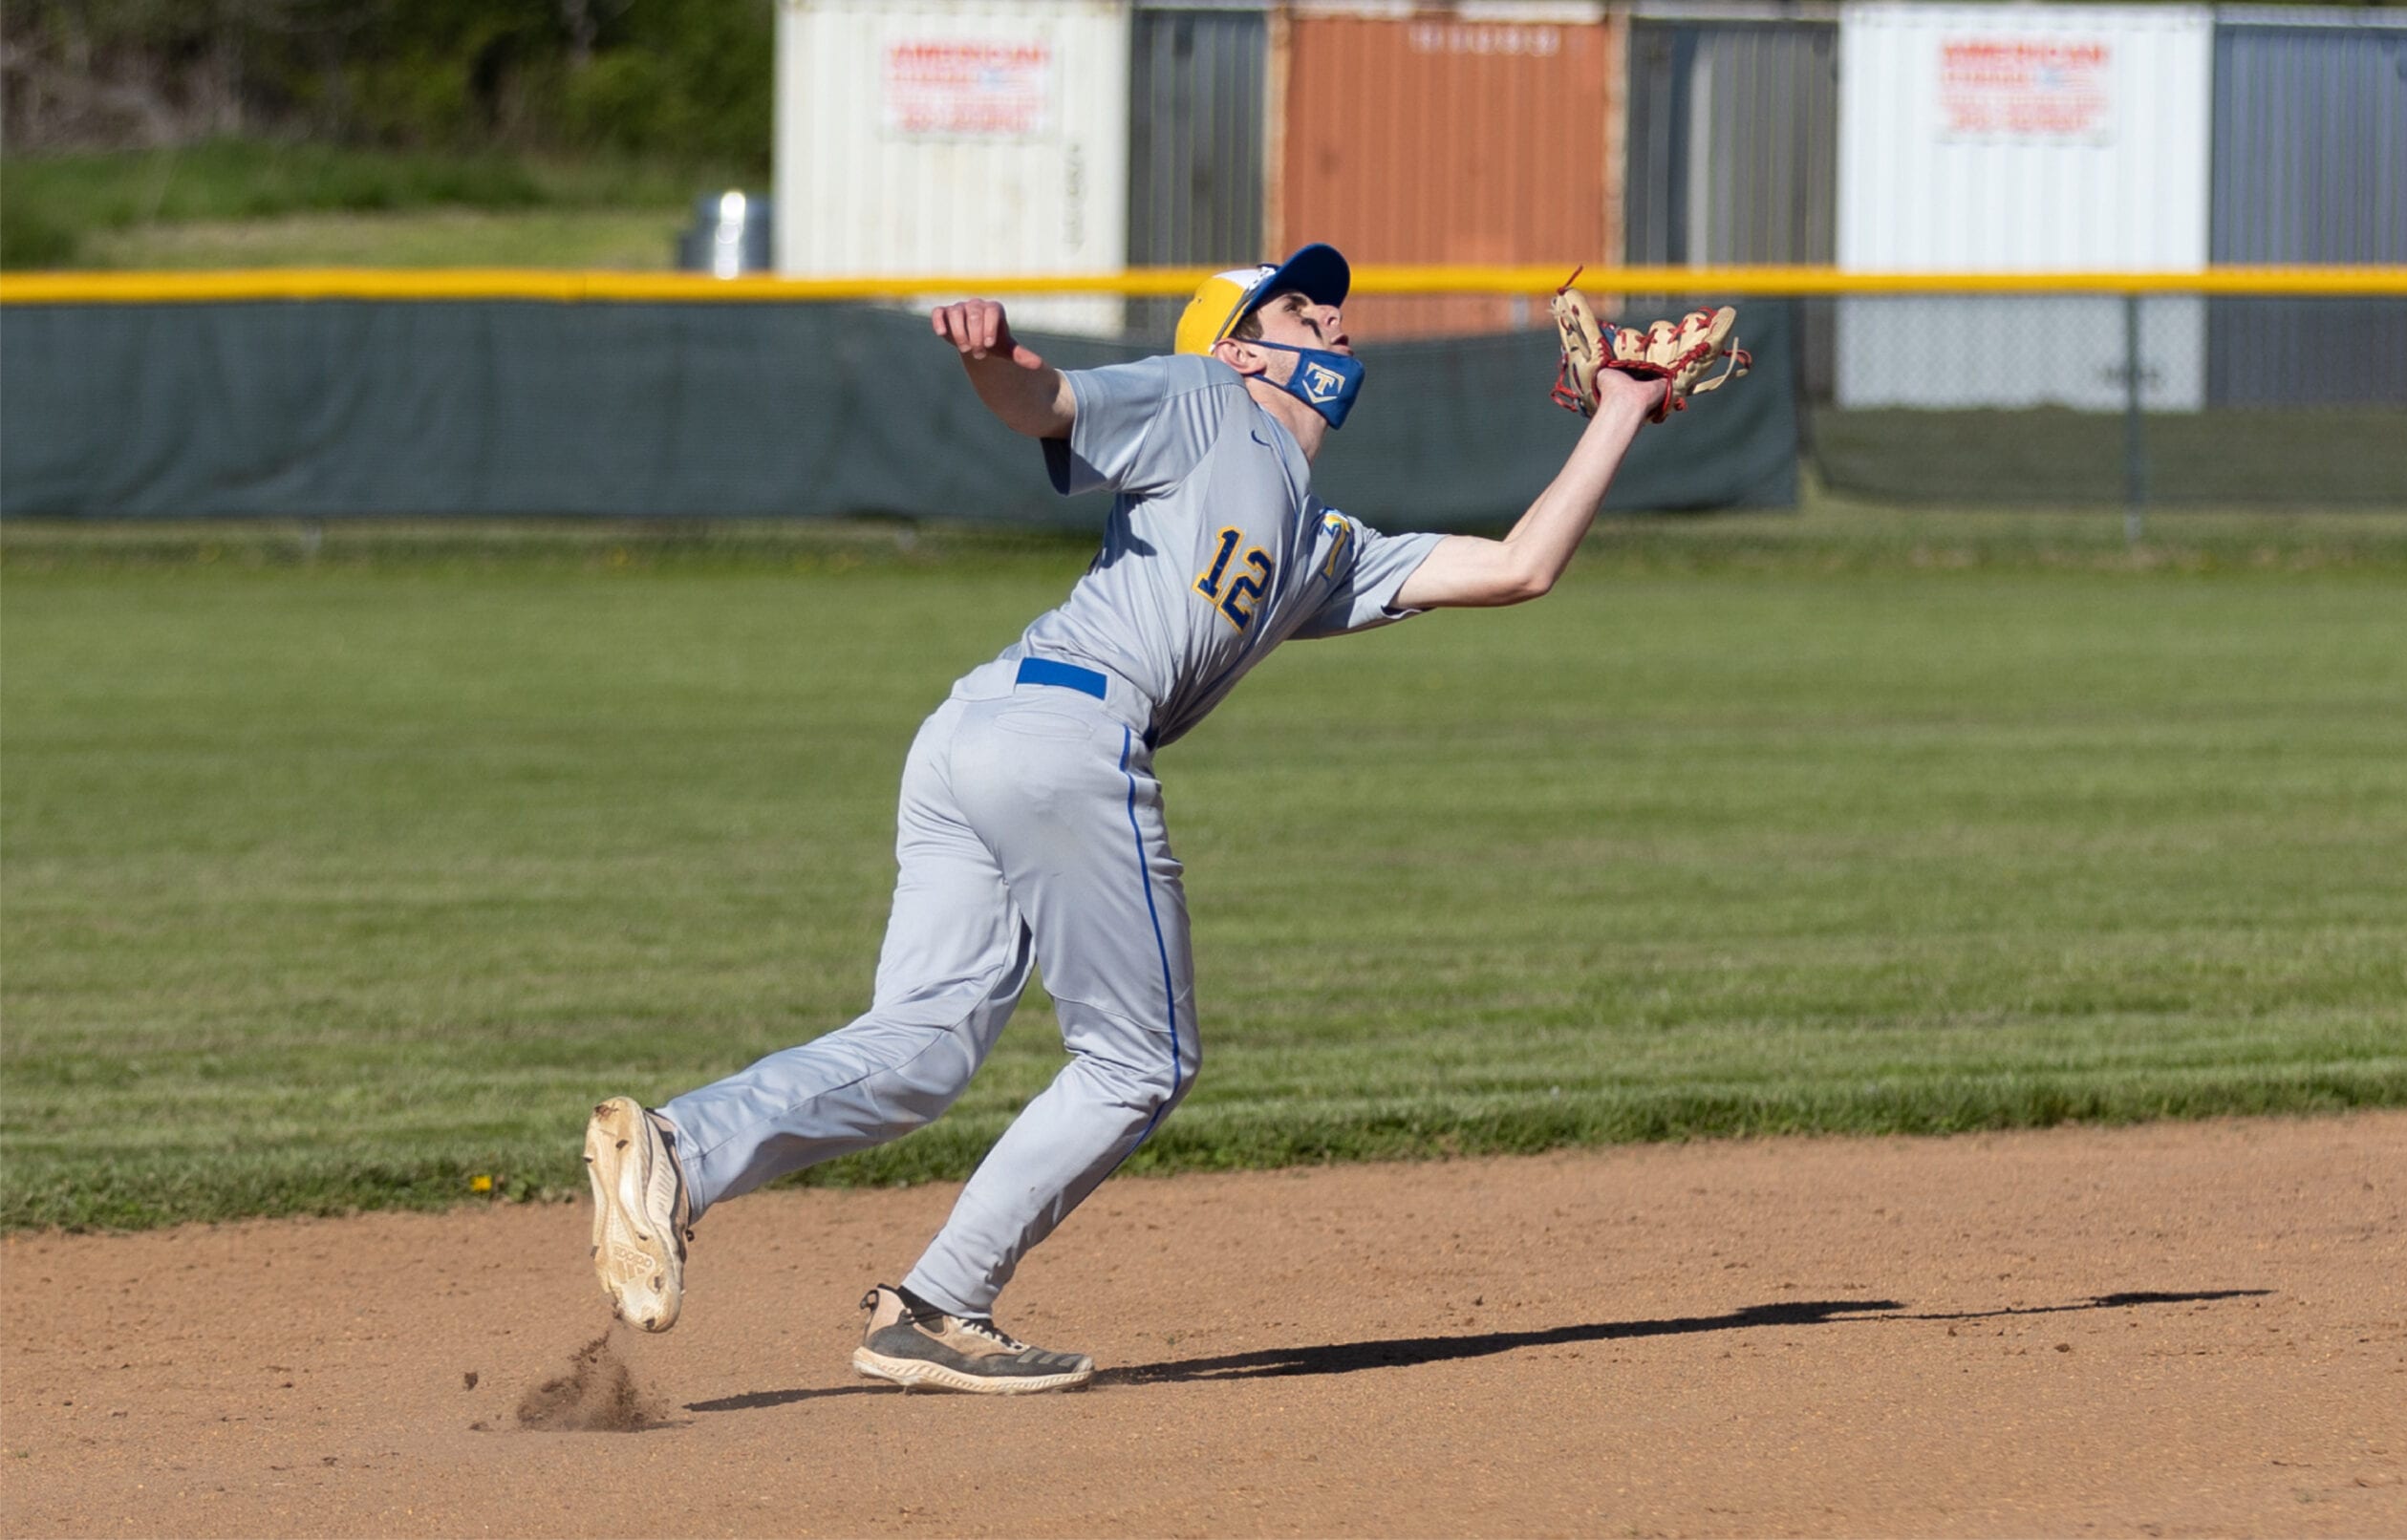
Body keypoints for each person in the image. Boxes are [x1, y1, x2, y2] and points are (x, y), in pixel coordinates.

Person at [585, 244, 1674, 1395]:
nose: (1336, 323)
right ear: (1243, 345)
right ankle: (939, 1303)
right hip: (1059, 736)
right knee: (1138, 1061)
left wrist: (1618, 406)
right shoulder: (1204, 400)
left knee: (919, 1049)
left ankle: (677, 1149)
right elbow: (1050, 403)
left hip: (982, 729)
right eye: (1302, 308)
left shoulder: (1317, 542)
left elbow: (1516, 566)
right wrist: (994, 359)